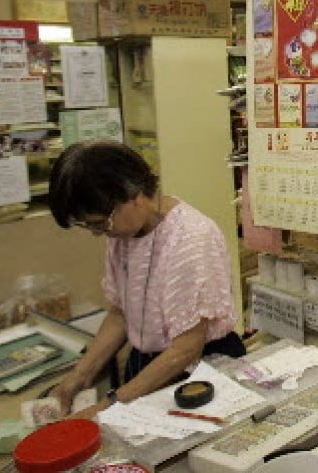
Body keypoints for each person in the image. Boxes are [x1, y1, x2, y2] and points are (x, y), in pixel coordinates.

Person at [47, 141, 245, 419]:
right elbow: (120, 313)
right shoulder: (124, 234)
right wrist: (77, 379)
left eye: (100, 223)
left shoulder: (190, 237)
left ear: (133, 195)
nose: (98, 232)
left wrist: (109, 406)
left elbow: (186, 347)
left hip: (199, 370)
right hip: (149, 365)